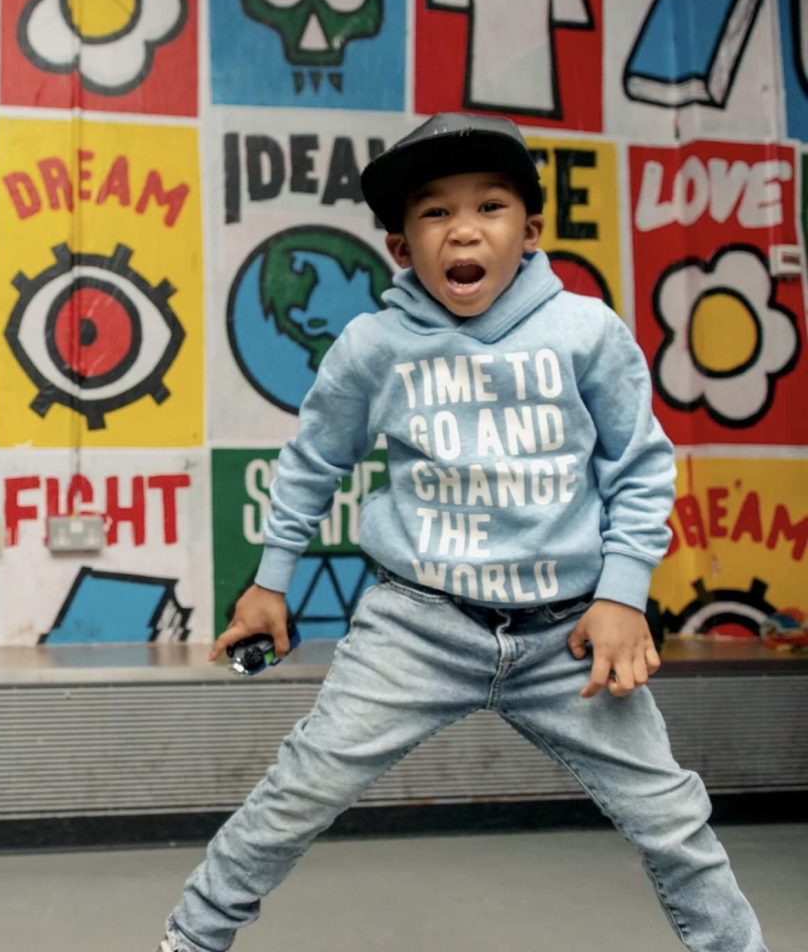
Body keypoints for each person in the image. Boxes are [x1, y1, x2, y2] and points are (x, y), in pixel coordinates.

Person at [160, 114, 768, 952]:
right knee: (299, 790)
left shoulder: (585, 331)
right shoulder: (374, 346)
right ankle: (190, 940)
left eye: (490, 206)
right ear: (402, 247)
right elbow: (311, 462)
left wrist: (624, 596)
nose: (464, 229)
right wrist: (270, 582)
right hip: (419, 624)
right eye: (435, 213)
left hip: (567, 633)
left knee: (672, 819)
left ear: (531, 231)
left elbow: (639, 467)